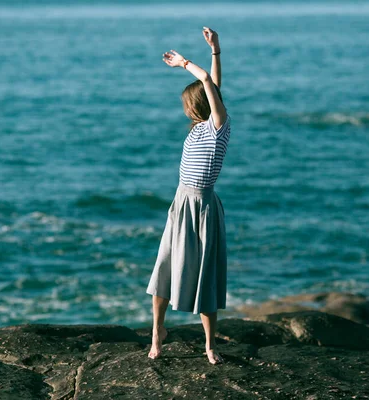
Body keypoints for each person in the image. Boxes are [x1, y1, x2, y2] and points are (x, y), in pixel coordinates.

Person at [146, 26, 230, 365]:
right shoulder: (200, 128)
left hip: (204, 208)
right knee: (164, 268)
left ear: (194, 106)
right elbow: (214, 87)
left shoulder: (217, 127)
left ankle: (209, 345)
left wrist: (185, 63)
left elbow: (210, 86)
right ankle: (157, 332)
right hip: (181, 203)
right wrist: (216, 51)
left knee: (205, 278)